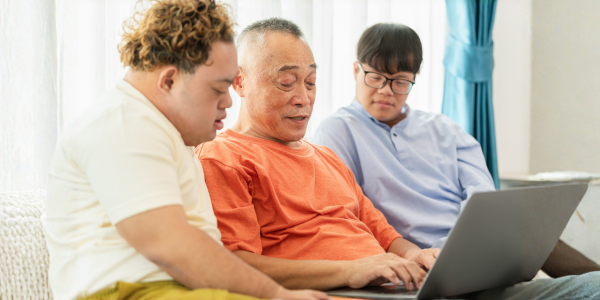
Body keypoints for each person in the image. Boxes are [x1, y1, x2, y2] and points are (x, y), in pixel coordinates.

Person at [43, 1, 327, 300]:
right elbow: (169, 246)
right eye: (218, 89)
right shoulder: (124, 123)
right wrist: (276, 294)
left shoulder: (165, 133)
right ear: (169, 80)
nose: (229, 103)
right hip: (132, 292)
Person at [312, 22, 600, 299]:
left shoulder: (444, 129)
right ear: (355, 70)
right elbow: (351, 216)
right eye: (375, 77)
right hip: (417, 271)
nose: (386, 91)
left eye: (400, 81)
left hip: (475, 259)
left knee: (533, 234)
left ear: (414, 79)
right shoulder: (338, 130)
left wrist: (461, 251)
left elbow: (482, 197)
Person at [196, 18, 439, 292]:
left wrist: (414, 255)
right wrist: (351, 271)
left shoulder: (327, 157)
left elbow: (382, 232)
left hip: (389, 290)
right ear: (240, 82)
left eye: (310, 82)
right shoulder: (222, 158)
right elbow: (236, 264)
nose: (303, 98)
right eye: (286, 82)